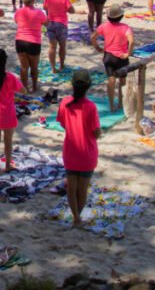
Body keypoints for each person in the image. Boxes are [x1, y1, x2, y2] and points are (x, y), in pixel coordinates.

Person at [57, 69, 101, 228]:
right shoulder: (91, 107)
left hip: (70, 150)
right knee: (82, 188)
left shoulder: (65, 103)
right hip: (87, 152)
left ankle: (75, 215)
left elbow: (62, 123)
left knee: (72, 186)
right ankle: (78, 217)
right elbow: (96, 133)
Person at [92, 3, 134, 112]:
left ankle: (111, 105)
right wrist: (128, 53)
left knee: (111, 80)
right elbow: (132, 41)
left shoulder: (104, 26)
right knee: (122, 81)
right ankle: (121, 102)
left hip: (109, 56)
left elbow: (93, 37)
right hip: (121, 57)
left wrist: (97, 47)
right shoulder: (125, 27)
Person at [14, 0, 47, 93]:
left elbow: (16, 21)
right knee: (34, 67)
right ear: (33, 1)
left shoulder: (18, 12)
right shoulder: (39, 12)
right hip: (34, 42)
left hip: (20, 41)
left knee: (24, 67)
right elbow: (46, 23)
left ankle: (25, 88)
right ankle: (34, 87)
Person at [44, 0, 75, 73]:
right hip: (61, 24)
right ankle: (61, 64)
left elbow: (45, 7)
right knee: (62, 46)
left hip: (51, 23)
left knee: (52, 47)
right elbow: (72, 11)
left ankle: (53, 68)